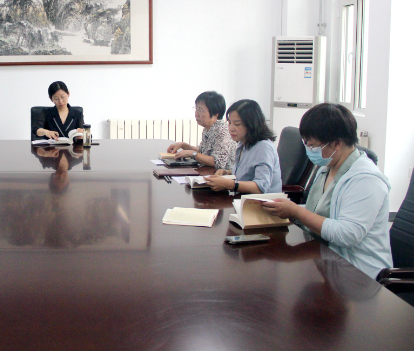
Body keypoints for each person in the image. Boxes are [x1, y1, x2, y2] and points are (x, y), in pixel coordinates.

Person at [261, 103, 392, 279]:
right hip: (326, 258)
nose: (309, 150)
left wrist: (296, 211)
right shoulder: (328, 166)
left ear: (337, 143)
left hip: (359, 273)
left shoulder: (366, 179)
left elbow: (347, 234)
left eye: (313, 146)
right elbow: (318, 210)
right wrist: (286, 210)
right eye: (306, 144)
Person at [204, 99, 282, 193]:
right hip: (243, 197)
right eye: (229, 123)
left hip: (262, 201)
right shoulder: (242, 143)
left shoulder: (264, 147)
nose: (231, 129)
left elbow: (261, 187)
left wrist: (229, 184)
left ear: (251, 124)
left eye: (237, 124)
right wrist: (227, 172)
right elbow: (246, 175)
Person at [166, 91, 236, 169]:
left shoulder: (222, 132)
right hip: (209, 171)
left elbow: (217, 162)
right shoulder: (209, 128)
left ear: (216, 114)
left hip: (222, 174)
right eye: (196, 109)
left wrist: (192, 153)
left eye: (200, 110)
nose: (196, 114)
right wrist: (184, 145)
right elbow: (203, 151)